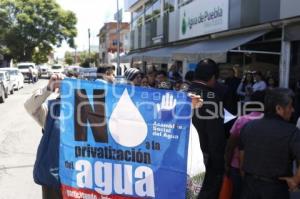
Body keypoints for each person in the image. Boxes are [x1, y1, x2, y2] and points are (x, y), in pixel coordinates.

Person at [240, 88, 300, 199]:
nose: (293, 110)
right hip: (275, 189)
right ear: (278, 108)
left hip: (249, 187)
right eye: (290, 107)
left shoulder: (248, 126)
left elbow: (242, 157)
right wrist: (295, 180)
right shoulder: (292, 132)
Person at [188, 58, 226, 199]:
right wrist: (219, 166)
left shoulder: (180, 93)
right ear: (213, 78)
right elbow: (215, 138)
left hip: (180, 157)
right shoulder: (212, 99)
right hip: (202, 161)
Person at [24, 74, 63, 199]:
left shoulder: (86, 112)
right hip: (53, 179)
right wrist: (48, 88)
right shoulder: (51, 110)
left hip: (79, 180)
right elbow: (30, 106)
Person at [224, 91, 265, 199]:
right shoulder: (271, 122)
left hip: (238, 166)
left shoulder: (242, 120)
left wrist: (227, 164)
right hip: (263, 169)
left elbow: (230, 146)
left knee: (237, 194)